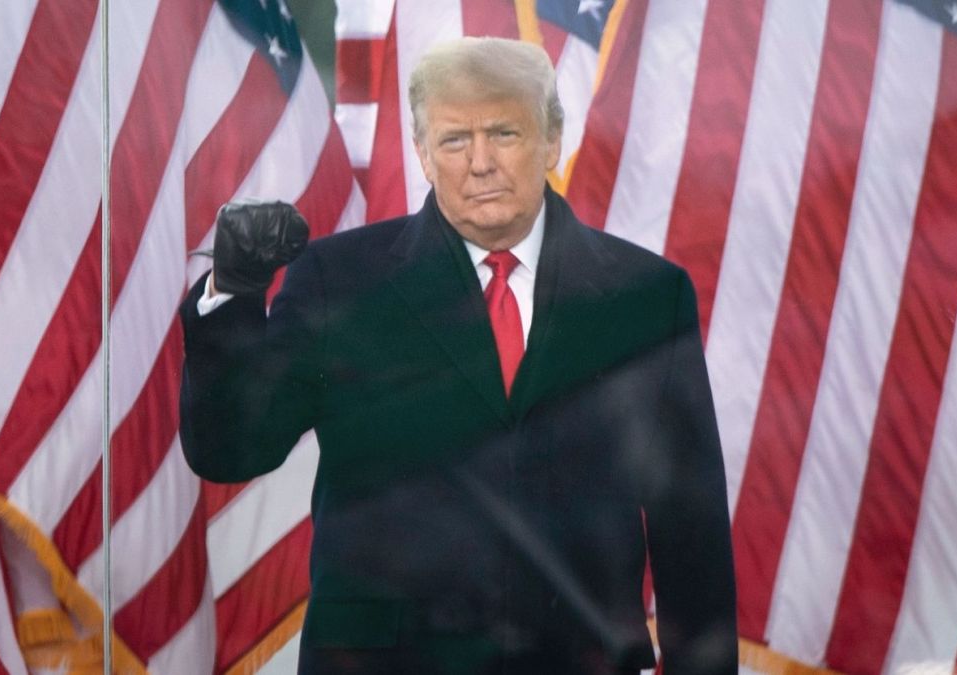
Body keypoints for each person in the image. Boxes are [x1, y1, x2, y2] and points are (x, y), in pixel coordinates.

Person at [180, 37, 737, 674]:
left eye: (504, 133)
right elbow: (230, 450)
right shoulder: (341, 279)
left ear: (552, 139)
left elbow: (689, 531)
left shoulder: (646, 297)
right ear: (421, 151)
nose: (480, 163)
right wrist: (234, 292)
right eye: (453, 140)